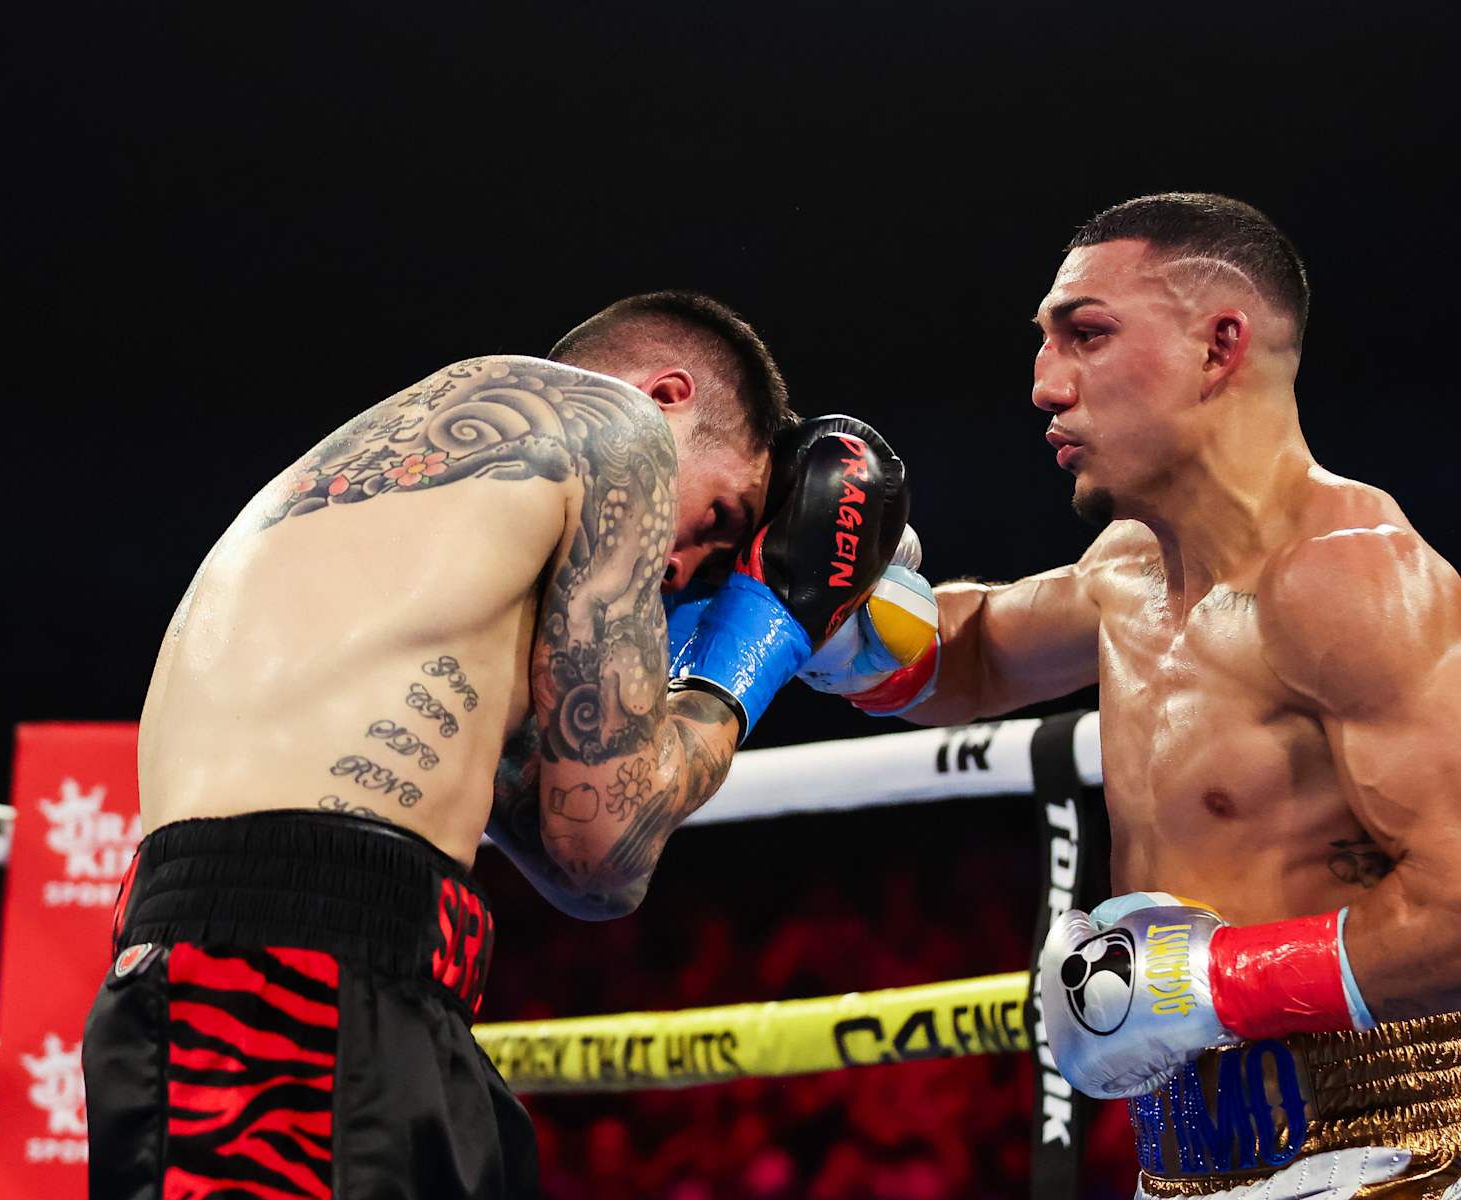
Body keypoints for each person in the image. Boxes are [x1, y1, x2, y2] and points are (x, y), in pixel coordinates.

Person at [805, 195, 1461, 1197]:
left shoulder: (1350, 579)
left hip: (1384, 1168)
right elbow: (973, 652)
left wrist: (1212, 983)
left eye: (1087, 335)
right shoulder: (1128, 570)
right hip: (1180, 1175)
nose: (1044, 385)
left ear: (1220, 346)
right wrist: (845, 618)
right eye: (1045, 343)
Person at [83, 290, 907, 1199]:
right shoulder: (618, 427)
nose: (678, 570)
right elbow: (607, 848)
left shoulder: (393, 495)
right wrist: (761, 637)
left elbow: (573, 856)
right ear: (667, 393)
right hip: (296, 991)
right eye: (716, 520)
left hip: (266, 970)